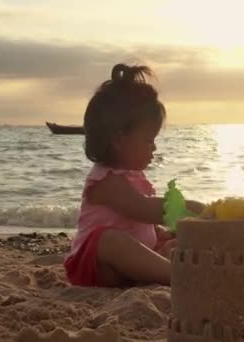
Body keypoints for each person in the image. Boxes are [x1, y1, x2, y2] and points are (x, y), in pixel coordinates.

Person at [64, 63, 204, 287]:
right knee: (110, 241)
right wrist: (191, 209)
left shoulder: (134, 177)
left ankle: (175, 268)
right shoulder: (106, 182)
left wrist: (158, 234)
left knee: (175, 244)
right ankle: (179, 276)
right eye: (148, 140)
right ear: (119, 140)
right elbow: (142, 209)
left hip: (129, 269)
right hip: (95, 266)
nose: (154, 148)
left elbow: (138, 224)